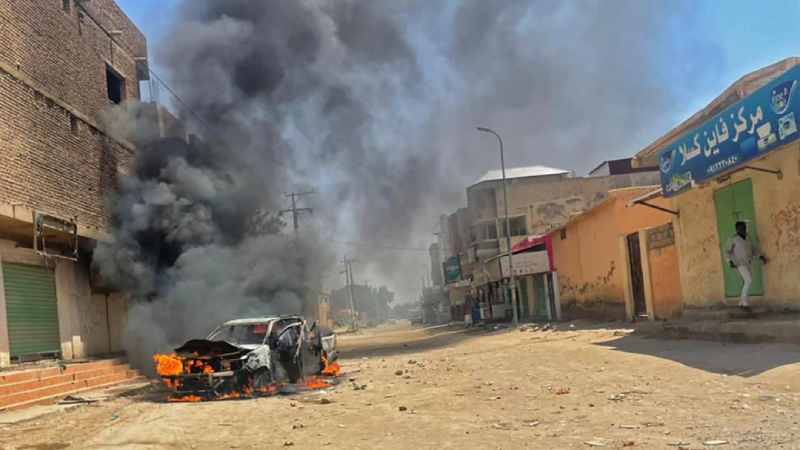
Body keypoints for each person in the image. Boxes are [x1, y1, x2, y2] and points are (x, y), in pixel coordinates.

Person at [725, 221, 767, 311]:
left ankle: (740, 303)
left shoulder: (748, 238)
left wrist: (760, 256)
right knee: (748, 280)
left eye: (744, 227)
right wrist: (730, 261)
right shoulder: (733, 239)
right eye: (741, 228)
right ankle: (744, 303)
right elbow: (727, 251)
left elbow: (753, 249)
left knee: (746, 282)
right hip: (739, 263)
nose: (743, 229)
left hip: (748, 262)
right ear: (737, 229)